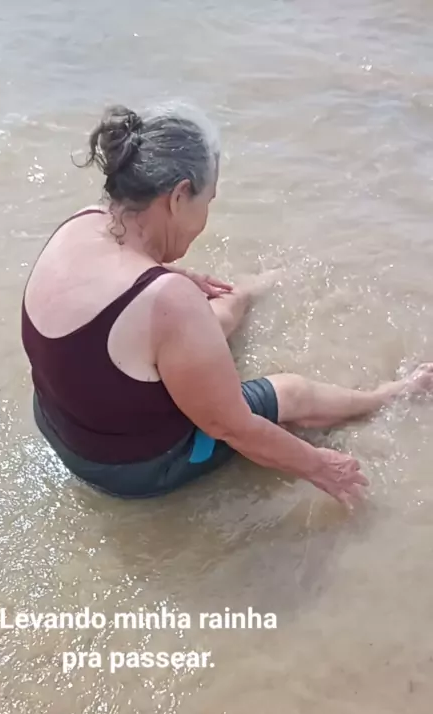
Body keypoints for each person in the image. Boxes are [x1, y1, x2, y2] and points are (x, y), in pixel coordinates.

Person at [21, 103, 433, 504]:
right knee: (290, 391)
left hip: (60, 429)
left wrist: (170, 275)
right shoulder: (169, 301)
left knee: (207, 320)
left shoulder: (82, 223)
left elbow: (110, 285)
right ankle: (386, 395)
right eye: (208, 202)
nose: (205, 218)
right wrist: (319, 466)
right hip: (137, 470)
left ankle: (247, 292)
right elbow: (231, 427)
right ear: (179, 196)